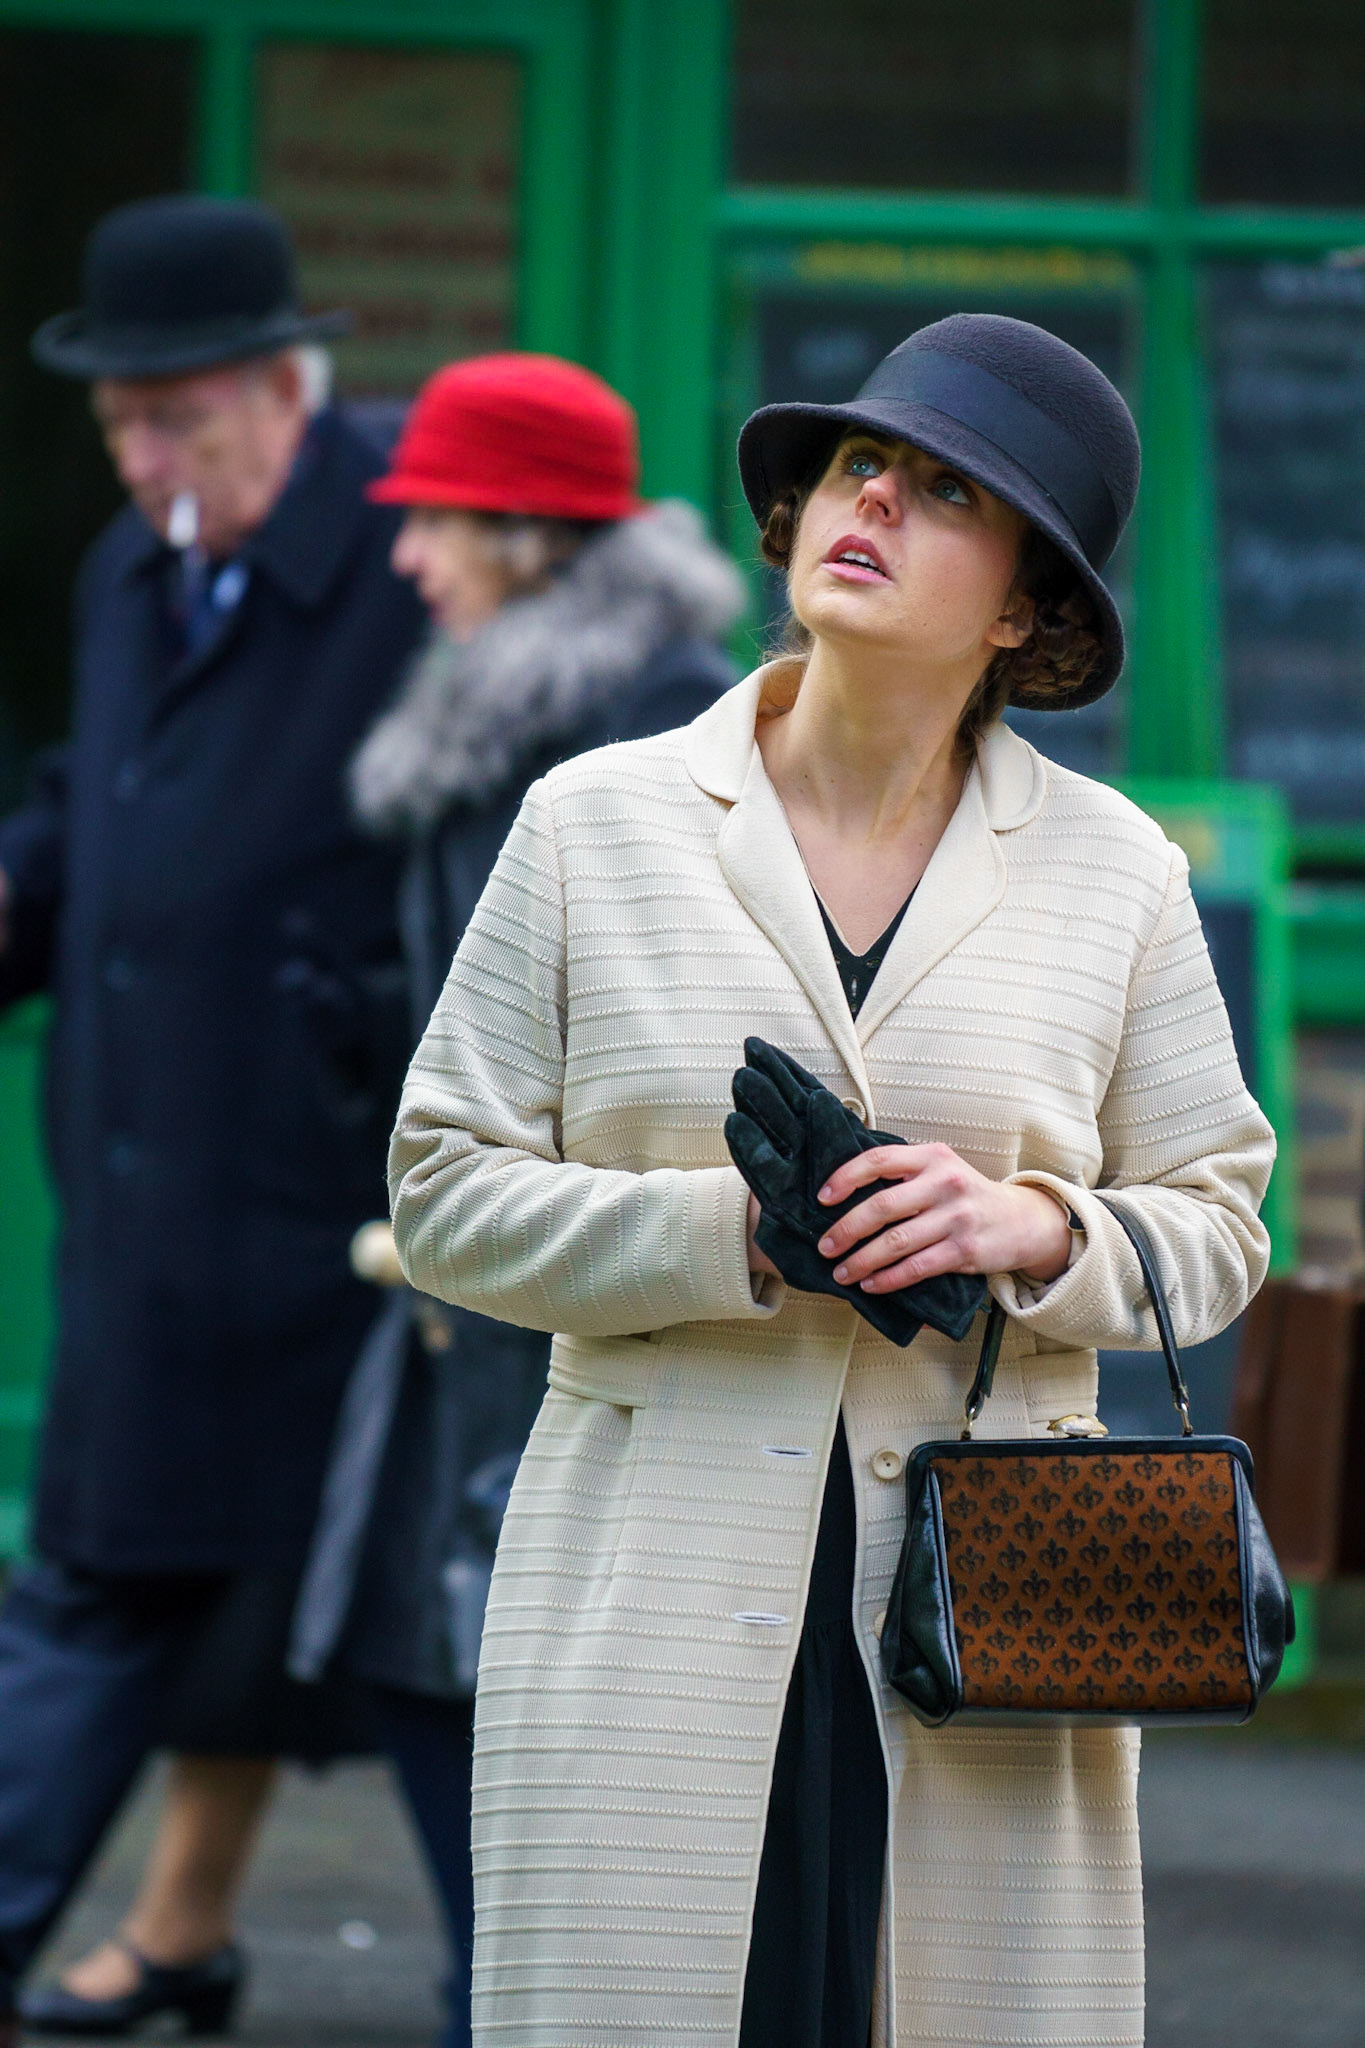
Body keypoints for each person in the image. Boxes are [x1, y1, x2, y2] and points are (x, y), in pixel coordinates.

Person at [384, 313, 1275, 2048]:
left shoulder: (1116, 875)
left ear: (1021, 610)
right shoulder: (593, 822)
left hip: (993, 1603)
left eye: (947, 494)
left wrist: (1036, 1227)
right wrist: (727, 1237)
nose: (873, 501)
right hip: (645, 1578)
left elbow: (1218, 1227)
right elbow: (440, 1191)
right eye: (863, 464)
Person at [0, 195, 424, 2042]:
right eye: (117, 424)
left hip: (329, 1185)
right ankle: (183, 1934)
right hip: (148, 1162)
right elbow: (101, 795)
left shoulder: (415, 553)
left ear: (279, 387)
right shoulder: (135, 562)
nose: (138, 460)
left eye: (170, 419)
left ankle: (549, 1984)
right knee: (176, 1564)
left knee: (224, 1591)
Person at [288, 351, 742, 2048]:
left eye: (433, 521)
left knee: (518, 1671)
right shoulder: (496, 704)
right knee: (416, 1649)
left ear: (530, 532)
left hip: (581, 1276)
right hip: (466, 1274)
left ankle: (521, 2003)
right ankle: (491, 1992)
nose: (406, 557)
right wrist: (370, 1035)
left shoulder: (655, 716)